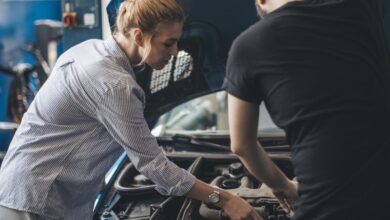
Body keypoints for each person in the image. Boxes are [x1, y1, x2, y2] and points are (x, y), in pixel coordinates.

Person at [0, 0, 262, 219]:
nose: (175, 51)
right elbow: (154, 166)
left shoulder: (87, 50)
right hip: (36, 200)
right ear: (139, 36)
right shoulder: (114, 85)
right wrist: (224, 199)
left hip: (34, 193)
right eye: (168, 43)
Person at [225, 0, 390, 219]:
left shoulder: (247, 46)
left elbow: (242, 145)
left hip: (327, 207)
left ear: (261, 2)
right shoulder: (365, 8)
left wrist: (282, 185)